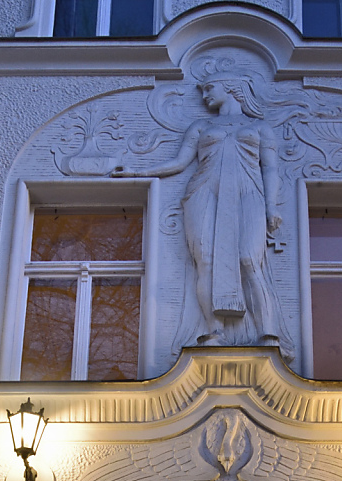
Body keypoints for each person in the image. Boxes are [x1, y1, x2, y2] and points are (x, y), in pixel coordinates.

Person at [114, 75, 289, 350]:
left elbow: (270, 168)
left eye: (210, 88)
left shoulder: (259, 127)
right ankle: (213, 332)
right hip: (205, 192)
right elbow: (180, 162)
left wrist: (271, 206)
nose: (205, 95)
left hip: (248, 193)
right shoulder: (201, 126)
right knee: (205, 259)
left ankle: (268, 334)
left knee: (248, 259)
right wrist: (138, 172)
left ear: (231, 87)